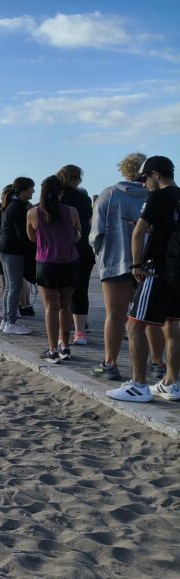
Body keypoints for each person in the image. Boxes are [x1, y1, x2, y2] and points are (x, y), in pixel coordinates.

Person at [108, 156, 180, 403]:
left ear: (155, 174)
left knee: (135, 324)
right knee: (173, 326)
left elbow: (138, 233)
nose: (144, 184)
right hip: (178, 271)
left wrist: (136, 264)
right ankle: (171, 383)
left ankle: (138, 385)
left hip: (157, 269)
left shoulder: (157, 197)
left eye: (145, 178)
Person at [91, 153, 164, 381]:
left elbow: (96, 234)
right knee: (151, 317)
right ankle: (156, 362)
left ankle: (110, 363)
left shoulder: (109, 194)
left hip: (115, 261)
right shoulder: (157, 196)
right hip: (148, 264)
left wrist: (101, 253)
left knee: (114, 314)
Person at [27, 175, 81, 363]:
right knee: (65, 306)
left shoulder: (33, 213)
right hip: (69, 261)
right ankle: (65, 346)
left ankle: (52, 350)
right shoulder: (72, 211)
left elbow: (32, 237)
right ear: (61, 193)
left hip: (46, 263)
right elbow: (77, 235)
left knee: (50, 308)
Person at [57, 165, 95, 346]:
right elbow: (87, 222)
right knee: (81, 290)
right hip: (81, 248)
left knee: (61, 292)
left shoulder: (53, 196)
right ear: (77, 178)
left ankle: (60, 332)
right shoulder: (82, 198)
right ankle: (79, 332)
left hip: (58, 250)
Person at [0, 177, 35, 336]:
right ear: (23, 190)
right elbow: (22, 233)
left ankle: (6, 320)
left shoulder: (10, 205)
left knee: (10, 286)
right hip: (12, 250)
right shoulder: (18, 207)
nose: (33, 191)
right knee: (14, 286)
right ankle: (11, 322)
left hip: (4, 248)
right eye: (31, 188)